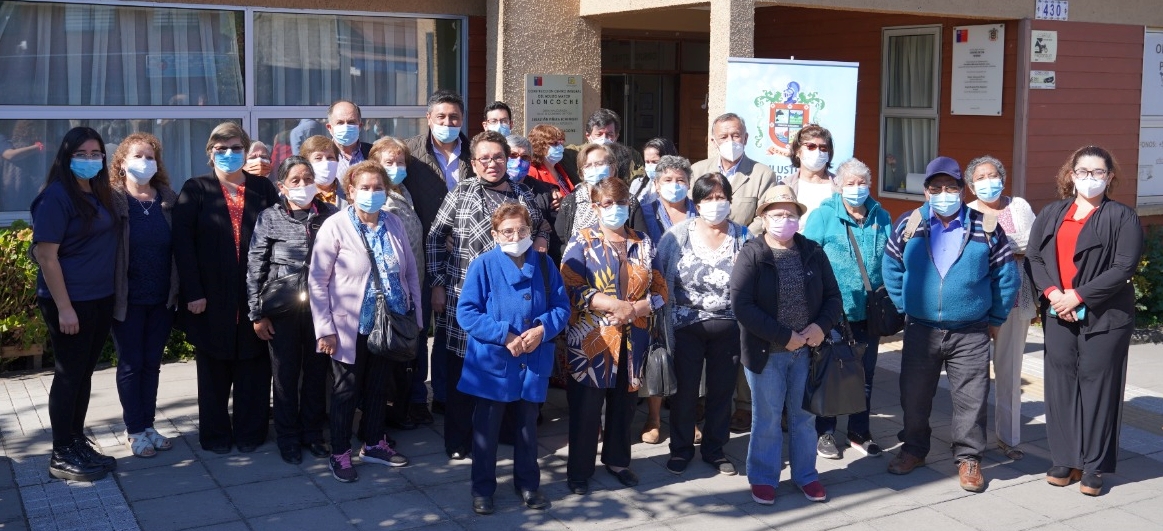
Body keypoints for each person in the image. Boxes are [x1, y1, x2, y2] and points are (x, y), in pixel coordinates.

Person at [881, 156, 1019, 493]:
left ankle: (969, 458)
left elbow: (1006, 276)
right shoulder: (909, 224)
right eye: (936, 187)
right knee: (914, 395)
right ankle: (914, 449)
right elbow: (891, 266)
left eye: (950, 187)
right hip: (921, 328)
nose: (944, 193)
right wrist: (905, 306)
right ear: (926, 192)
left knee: (971, 398)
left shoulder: (985, 225)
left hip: (970, 330)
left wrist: (997, 318)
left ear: (961, 190)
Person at [1025, 146, 1144, 496]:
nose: (1089, 178)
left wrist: (1077, 296)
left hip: (1105, 316)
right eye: (1083, 171)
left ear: (1109, 177)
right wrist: (1051, 293)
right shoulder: (1052, 213)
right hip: (1057, 311)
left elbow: (1124, 267)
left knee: (1098, 386)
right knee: (1060, 383)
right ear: (1070, 174)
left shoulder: (1123, 217)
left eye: (1097, 172)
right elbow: (1033, 256)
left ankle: (1093, 465)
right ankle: (1065, 458)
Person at [427, 130, 550, 461]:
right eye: (485, 158)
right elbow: (436, 237)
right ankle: (458, 440)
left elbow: (541, 228)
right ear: (473, 162)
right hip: (468, 295)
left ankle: (506, 435)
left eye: (499, 156)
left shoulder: (524, 195)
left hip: (513, 300)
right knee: (464, 370)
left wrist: (541, 240)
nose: (493, 163)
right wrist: (437, 283)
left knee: (510, 366)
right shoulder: (461, 193)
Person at [173, 122, 281, 455]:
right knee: (214, 370)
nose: (229, 155)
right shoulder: (195, 189)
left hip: (255, 295)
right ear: (210, 153)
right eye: (222, 149)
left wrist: (271, 295)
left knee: (254, 366)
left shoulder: (263, 189)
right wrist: (192, 292)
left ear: (246, 150)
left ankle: (251, 433)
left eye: (236, 148)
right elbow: (183, 245)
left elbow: (279, 239)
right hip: (209, 296)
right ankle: (216, 435)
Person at [456, 203, 571, 515]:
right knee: (486, 431)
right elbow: (466, 312)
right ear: (495, 234)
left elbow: (562, 306)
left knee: (527, 428)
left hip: (531, 361)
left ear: (530, 231)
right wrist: (503, 334)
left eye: (521, 230)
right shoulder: (483, 265)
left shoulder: (545, 265)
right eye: (508, 231)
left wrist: (542, 330)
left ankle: (528, 484)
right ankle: (482, 489)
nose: (515, 235)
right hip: (493, 363)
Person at [309, 160, 421, 483]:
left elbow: (410, 270)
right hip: (349, 323)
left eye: (378, 187)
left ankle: (373, 442)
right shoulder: (335, 226)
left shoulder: (393, 222)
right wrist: (325, 328)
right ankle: (339, 451)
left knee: (377, 386)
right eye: (365, 187)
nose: (372, 193)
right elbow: (317, 280)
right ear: (351, 190)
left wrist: (415, 315)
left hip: (389, 321)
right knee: (346, 390)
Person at [730, 184, 840, 505]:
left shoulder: (812, 251)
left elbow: (833, 297)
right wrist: (784, 336)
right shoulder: (752, 253)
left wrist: (820, 327)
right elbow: (742, 305)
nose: (784, 220)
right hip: (768, 353)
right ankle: (764, 477)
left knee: (804, 418)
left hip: (807, 352)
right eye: (776, 214)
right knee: (766, 417)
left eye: (790, 214)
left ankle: (806, 474)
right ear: (763, 218)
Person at [560, 177, 666, 496]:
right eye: (608, 204)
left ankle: (618, 461)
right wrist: (613, 305)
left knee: (625, 404)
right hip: (592, 341)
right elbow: (570, 285)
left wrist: (637, 309)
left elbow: (661, 289)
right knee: (586, 409)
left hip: (634, 339)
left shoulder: (643, 241)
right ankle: (579, 470)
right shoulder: (582, 240)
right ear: (596, 207)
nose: (615, 210)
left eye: (621, 204)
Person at [31, 127, 120, 481]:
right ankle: (60, 452)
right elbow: (46, 257)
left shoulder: (98, 192)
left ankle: (75, 439)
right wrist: (65, 308)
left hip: (98, 297)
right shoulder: (56, 197)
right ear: (67, 157)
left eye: (95, 153)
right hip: (70, 302)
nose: (89, 160)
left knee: (84, 374)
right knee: (69, 375)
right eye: (81, 154)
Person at [656, 172, 749, 475]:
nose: (715, 204)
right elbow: (658, 277)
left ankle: (715, 449)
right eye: (708, 198)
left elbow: (757, 280)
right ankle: (681, 449)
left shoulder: (744, 236)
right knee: (684, 391)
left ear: (730, 201)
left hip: (729, 327)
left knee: (722, 391)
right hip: (685, 326)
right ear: (696, 202)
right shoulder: (677, 235)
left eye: (721, 198)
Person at [246, 156, 337, 465]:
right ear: (281, 186)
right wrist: (256, 313)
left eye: (307, 178)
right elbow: (255, 266)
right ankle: (287, 436)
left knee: (315, 373)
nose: (302, 185)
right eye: (295, 180)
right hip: (282, 309)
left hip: (320, 310)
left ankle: (312, 433)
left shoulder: (330, 215)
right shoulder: (270, 217)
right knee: (284, 375)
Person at [800, 158, 893, 459]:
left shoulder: (882, 216)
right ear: (838, 186)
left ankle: (859, 431)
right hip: (832, 311)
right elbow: (807, 260)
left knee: (864, 374)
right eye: (850, 183)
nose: (857, 188)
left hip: (871, 310)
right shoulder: (824, 216)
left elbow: (891, 259)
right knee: (830, 372)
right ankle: (825, 431)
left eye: (862, 182)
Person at [690, 112, 777, 433]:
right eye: (724, 136)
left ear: (746, 136)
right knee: (702, 332)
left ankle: (742, 404)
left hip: (745, 262)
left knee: (742, 335)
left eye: (736, 135)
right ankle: (701, 399)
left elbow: (763, 216)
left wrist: (735, 238)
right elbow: (691, 213)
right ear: (713, 139)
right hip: (703, 262)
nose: (731, 141)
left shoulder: (762, 173)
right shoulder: (698, 170)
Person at [109, 133, 179, 458]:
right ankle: (134, 430)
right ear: (122, 163)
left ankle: (148, 425)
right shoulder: (113, 200)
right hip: (128, 298)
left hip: (162, 297)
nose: (145, 162)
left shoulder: (167, 200)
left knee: (152, 364)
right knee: (131, 364)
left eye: (150, 157)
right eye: (138, 156)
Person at [965, 155, 1037, 461]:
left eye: (992, 175)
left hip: (1016, 299)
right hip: (976, 302)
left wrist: (995, 242)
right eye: (980, 177)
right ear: (970, 185)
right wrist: (1010, 246)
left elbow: (1034, 242)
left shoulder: (1018, 206)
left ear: (1003, 178)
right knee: (971, 374)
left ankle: (1009, 438)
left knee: (1009, 372)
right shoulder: (965, 212)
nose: (987, 181)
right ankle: (969, 439)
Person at [405, 90, 472, 416]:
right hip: (418, 252)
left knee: (451, 328)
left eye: (454, 118)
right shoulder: (411, 154)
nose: (448, 123)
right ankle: (416, 398)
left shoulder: (474, 153)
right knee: (418, 327)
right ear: (429, 118)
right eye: (441, 117)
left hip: (460, 254)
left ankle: (447, 396)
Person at [368, 136, 430, 427]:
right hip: (390, 292)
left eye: (400, 161)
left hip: (412, 285)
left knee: (408, 353)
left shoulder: (404, 189)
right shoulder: (379, 197)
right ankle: (386, 415)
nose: (396, 167)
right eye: (389, 162)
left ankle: (406, 408)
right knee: (389, 357)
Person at [637, 155, 698, 445]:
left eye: (681, 180)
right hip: (656, 293)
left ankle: (687, 417)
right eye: (668, 181)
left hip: (693, 296)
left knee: (689, 358)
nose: (675, 186)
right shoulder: (645, 212)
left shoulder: (700, 211)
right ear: (656, 185)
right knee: (657, 355)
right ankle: (653, 418)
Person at [554, 143, 647, 256]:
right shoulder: (571, 201)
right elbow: (559, 241)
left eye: (599, 164)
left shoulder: (627, 200)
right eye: (588, 166)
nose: (594, 169)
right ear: (582, 172)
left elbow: (641, 239)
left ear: (612, 168)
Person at [562, 109, 645, 182]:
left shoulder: (631, 155)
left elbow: (638, 181)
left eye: (610, 134)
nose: (604, 138)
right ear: (588, 136)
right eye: (599, 134)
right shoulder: (572, 153)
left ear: (616, 136)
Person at [782, 125, 836, 225]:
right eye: (811, 146)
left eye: (823, 148)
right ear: (798, 151)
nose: (817, 152)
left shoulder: (840, 185)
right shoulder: (785, 185)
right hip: (795, 239)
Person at [326, 100, 374, 183]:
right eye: (340, 122)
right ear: (330, 128)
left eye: (351, 122)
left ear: (360, 126)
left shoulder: (373, 152)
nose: (346, 127)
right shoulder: (320, 156)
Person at [527, 124, 576, 197]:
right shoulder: (531, 171)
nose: (560, 147)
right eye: (555, 143)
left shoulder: (560, 167)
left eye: (561, 143)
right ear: (539, 145)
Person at [299, 135, 345, 209]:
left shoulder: (350, 192)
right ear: (306, 163)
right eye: (318, 158)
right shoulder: (298, 194)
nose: (325, 162)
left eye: (330, 157)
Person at [629, 137, 678, 201]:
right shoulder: (637, 184)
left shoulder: (677, 187)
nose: (650, 165)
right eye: (647, 162)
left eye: (655, 162)